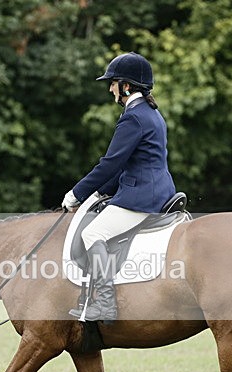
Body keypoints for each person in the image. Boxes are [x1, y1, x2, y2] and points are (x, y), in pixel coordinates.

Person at [62, 52, 176, 322]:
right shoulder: (151, 113)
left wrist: (76, 193)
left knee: (93, 233)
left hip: (141, 196)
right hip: (159, 190)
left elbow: (110, 164)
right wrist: (100, 192)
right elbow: (130, 164)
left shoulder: (133, 117)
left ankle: (105, 303)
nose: (110, 89)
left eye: (113, 83)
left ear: (126, 86)